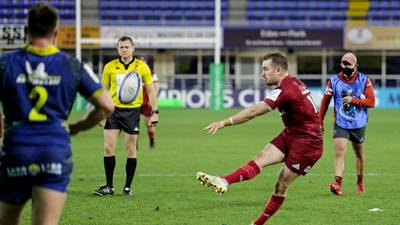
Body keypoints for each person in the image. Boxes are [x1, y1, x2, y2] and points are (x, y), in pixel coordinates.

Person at [0, 3, 114, 225]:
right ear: (56, 32)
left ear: (26, 30)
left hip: (16, 151)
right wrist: (77, 127)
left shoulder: (6, 63)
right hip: (53, 151)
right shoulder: (71, 65)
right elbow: (107, 106)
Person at [197, 52, 323, 225]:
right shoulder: (292, 82)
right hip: (292, 134)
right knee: (259, 159)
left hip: (308, 144)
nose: (262, 73)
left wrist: (223, 123)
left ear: (278, 69)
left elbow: (253, 112)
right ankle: (223, 181)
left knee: (281, 185)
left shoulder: (286, 89)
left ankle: (257, 224)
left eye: (265, 69)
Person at [94, 36, 159, 196]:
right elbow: (104, 90)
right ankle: (109, 186)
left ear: (133, 48)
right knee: (108, 147)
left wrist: (155, 112)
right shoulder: (109, 67)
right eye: (121, 47)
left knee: (131, 150)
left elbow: (151, 91)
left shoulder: (142, 67)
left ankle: (127, 188)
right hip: (113, 111)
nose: (124, 49)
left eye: (126, 47)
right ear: (117, 49)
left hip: (132, 112)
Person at [320, 52, 375, 196]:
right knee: (339, 152)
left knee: (359, 154)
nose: (345, 66)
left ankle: (360, 183)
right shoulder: (334, 81)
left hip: (359, 123)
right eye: (343, 63)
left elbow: (371, 102)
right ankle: (337, 184)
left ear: (355, 66)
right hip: (341, 122)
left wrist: (354, 101)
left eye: (348, 64)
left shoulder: (364, 80)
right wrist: (319, 120)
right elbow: (325, 102)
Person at [139, 56, 159, 149]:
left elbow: (156, 86)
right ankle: (135, 145)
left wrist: (153, 99)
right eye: (140, 61)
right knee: (134, 124)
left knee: (148, 123)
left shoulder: (152, 73)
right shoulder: (134, 72)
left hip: (147, 102)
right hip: (135, 102)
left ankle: (152, 142)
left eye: (144, 61)